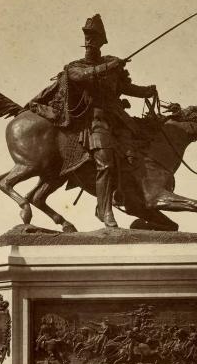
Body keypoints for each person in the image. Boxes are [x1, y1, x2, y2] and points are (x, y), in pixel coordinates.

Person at [29, 14, 157, 228]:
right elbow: (81, 77)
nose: (89, 42)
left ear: (101, 42)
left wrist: (146, 91)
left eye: (94, 39)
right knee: (105, 162)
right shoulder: (74, 66)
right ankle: (105, 211)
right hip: (94, 123)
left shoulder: (111, 64)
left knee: (141, 155)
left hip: (120, 122)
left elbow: (127, 89)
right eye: (87, 38)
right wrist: (110, 67)